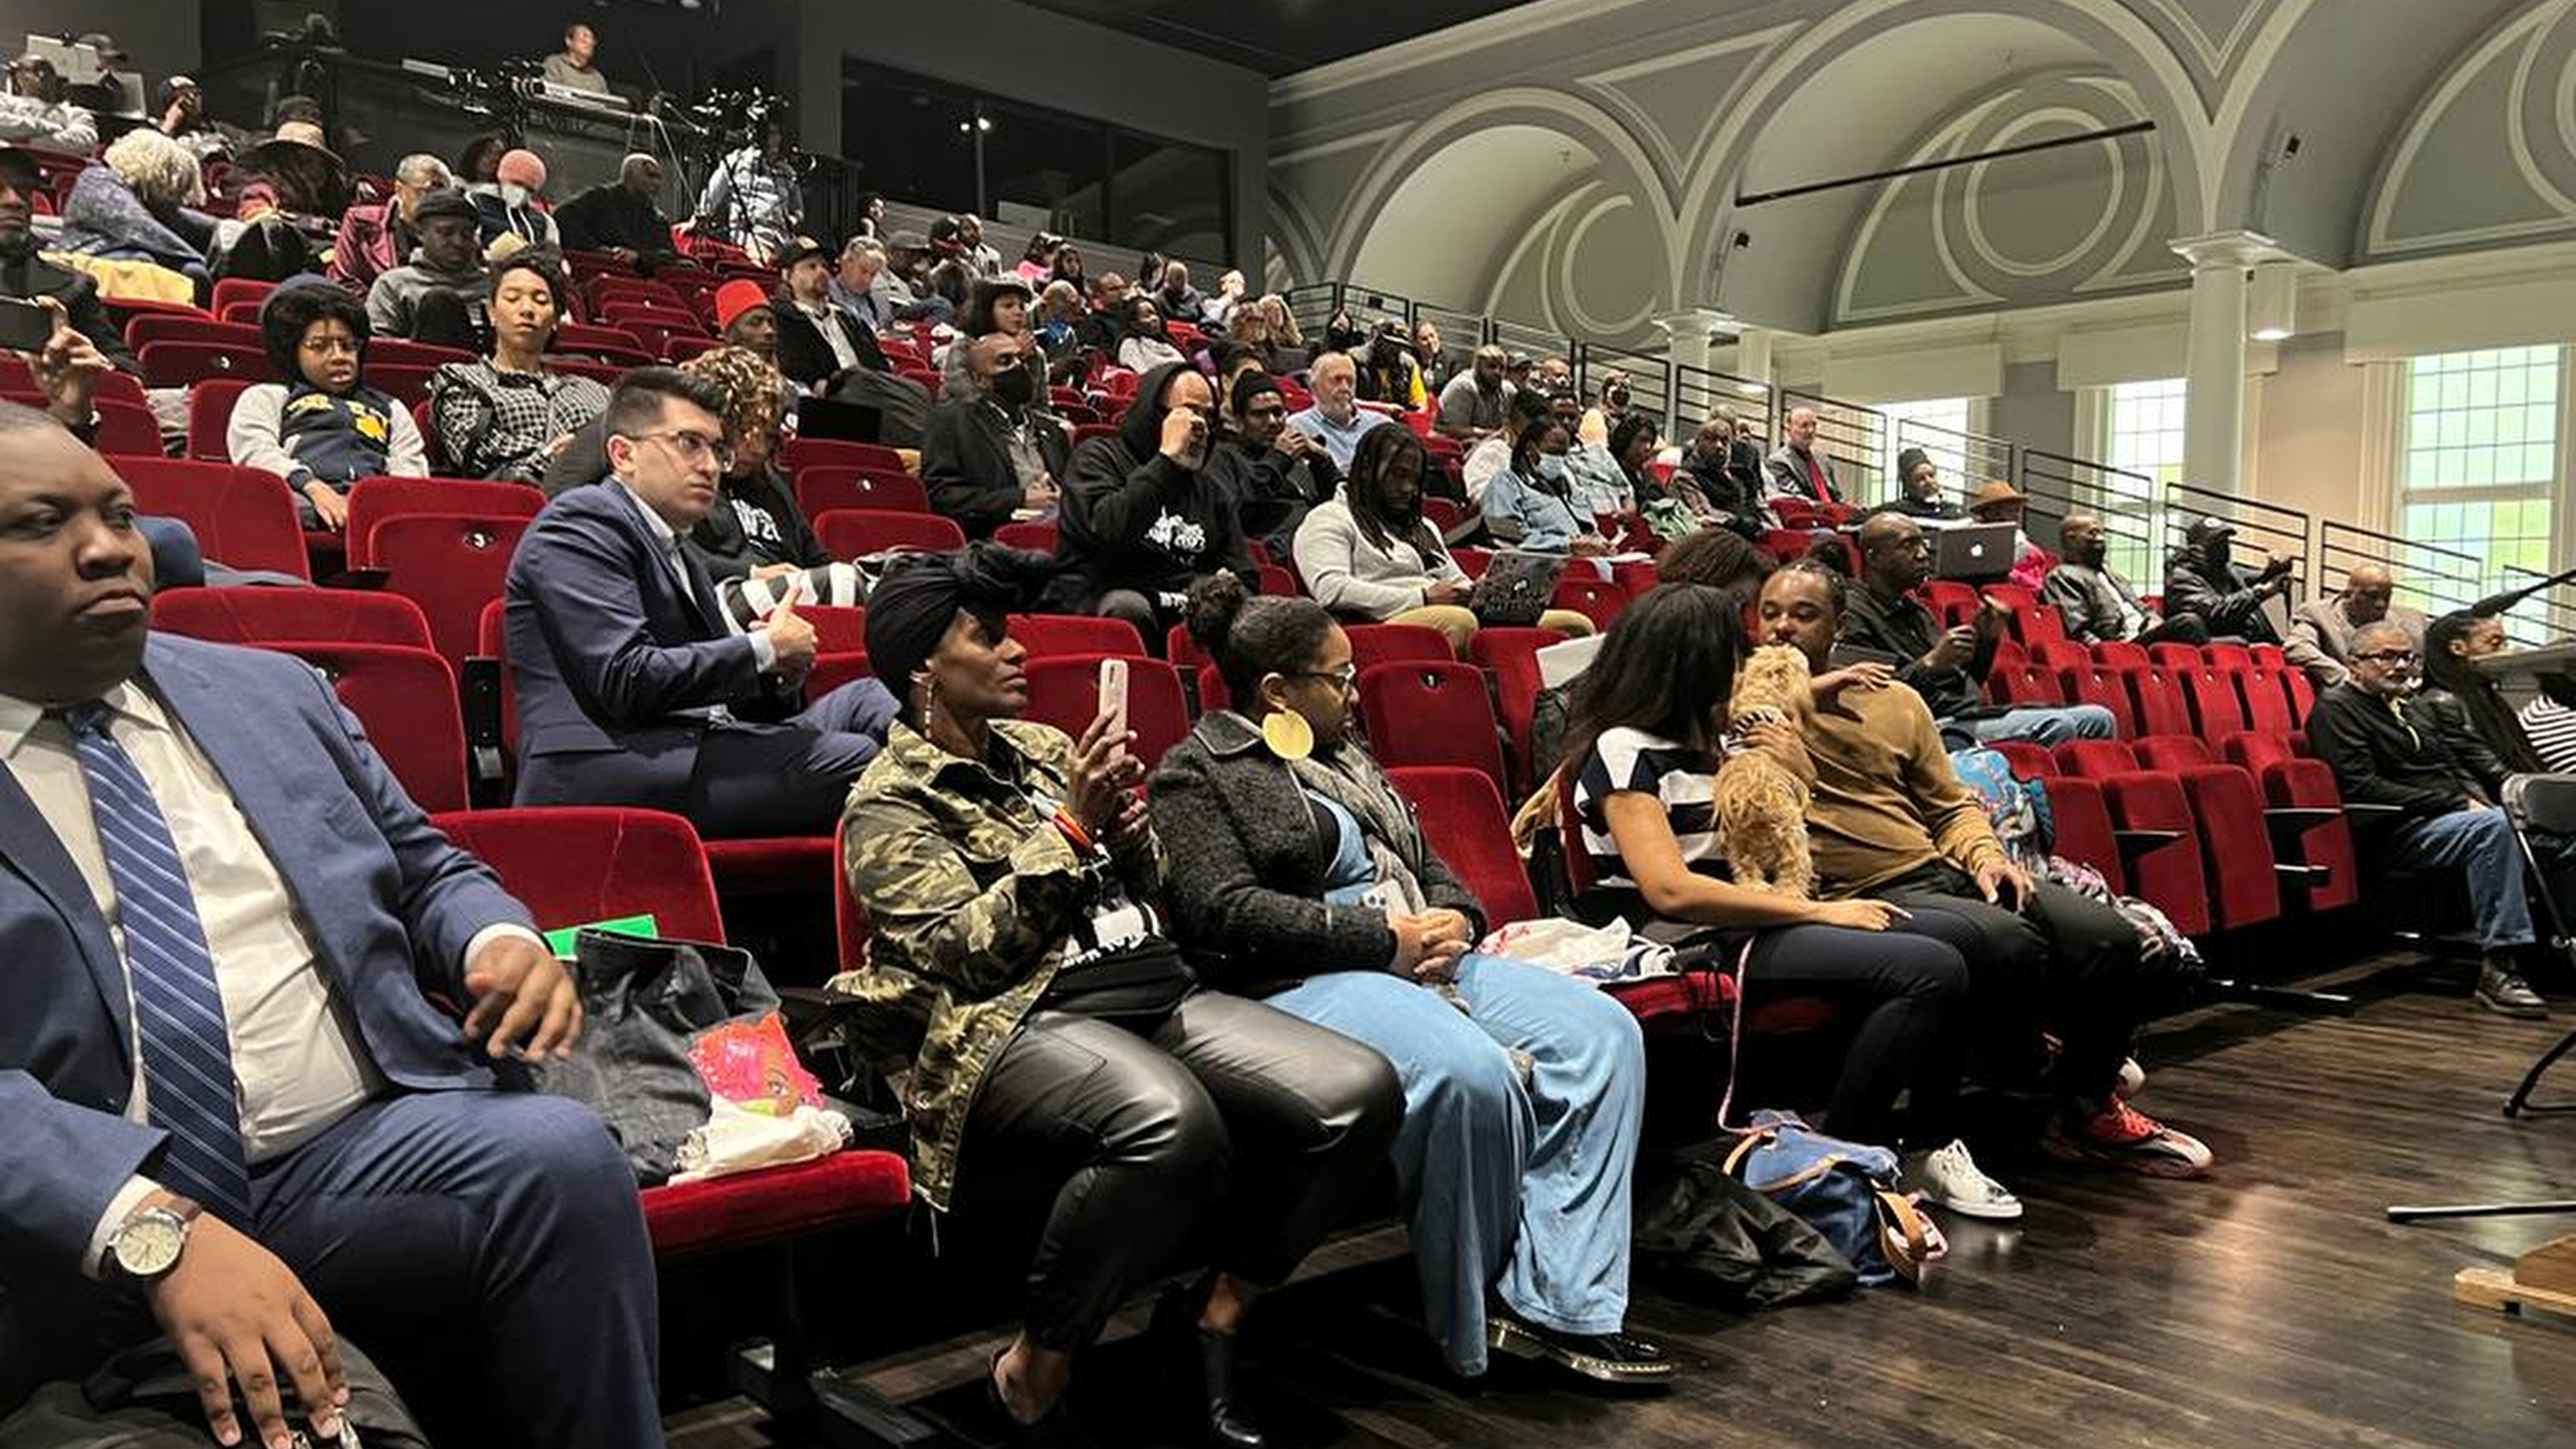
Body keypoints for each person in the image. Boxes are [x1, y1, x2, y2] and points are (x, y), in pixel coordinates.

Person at [0, 399, 664, 1448]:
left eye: (120, 516)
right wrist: (147, 1225)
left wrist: (499, 940)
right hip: (77, 1210)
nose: (105, 551)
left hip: (341, 1154)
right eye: (41, 523)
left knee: (559, 1156)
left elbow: (426, 864)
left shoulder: (272, 693)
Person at [839, 545, 1401, 1447]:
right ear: (922, 669)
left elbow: (1157, 892)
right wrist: (1071, 828)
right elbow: (962, 954)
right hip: (1013, 1018)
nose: (1017, 650)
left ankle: (1216, 1311)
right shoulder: (888, 802)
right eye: (988, 638)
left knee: (1357, 1090)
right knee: (1170, 1121)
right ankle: (1037, 1361)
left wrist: (1133, 837)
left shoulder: (1045, 750)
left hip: (1142, 980)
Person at [1151, 573, 1670, 1384]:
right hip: (1299, 973)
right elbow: (1222, 913)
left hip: (1419, 951)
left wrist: (1456, 919)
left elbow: (1429, 863)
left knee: (1603, 1035)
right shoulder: (1197, 772)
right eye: (1340, 678)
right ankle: (1478, 1314)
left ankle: (1561, 1297)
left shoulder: (1347, 755)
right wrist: (1378, 936)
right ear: (1277, 689)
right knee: (1471, 1074)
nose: (1356, 694)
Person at [1562, 581, 2013, 1211]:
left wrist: (1798, 767)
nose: (1743, 662)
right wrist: (1819, 910)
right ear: (1691, 662)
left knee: (1962, 937)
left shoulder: (1720, 742)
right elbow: (1672, 889)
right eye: (1731, 649)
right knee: (1930, 969)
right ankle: (1844, 1158)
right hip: (1687, 937)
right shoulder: (1623, 748)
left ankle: (1926, 1142)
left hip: (1749, 919)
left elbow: (1775, 827)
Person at [1756, 561, 2209, 1180]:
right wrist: (1802, 693)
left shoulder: (1895, 700)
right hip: (1859, 890)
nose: (1782, 627)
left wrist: (1988, 857)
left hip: (1936, 868)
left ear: (1838, 625)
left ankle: (2081, 1107)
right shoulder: (1747, 700)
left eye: (1803, 614)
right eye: (1770, 612)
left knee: (2108, 936)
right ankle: (2024, 1073)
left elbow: (1948, 805)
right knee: (2006, 941)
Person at [506, 368, 897, 837]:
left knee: (874, 698)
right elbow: (623, 678)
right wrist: (764, 650)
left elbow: (718, 689)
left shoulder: (680, 549)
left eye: (717, 449)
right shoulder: (578, 525)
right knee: (864, 761)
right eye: (689, 443)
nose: (711, 465)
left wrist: (779, 673)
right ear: (623, 453)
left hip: (694, 743)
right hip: (616, 766)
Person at [2311, 620, 2567, 1018]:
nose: (2401, 666)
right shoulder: (2336, 708)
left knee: (2558, 837)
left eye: (2408, 657)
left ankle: (2554, 952)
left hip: (2443, 820)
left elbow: (2447, 769)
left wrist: (2478, 801)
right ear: (2354, 662)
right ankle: (2499, 968)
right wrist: (2455, 803)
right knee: (2493, 829)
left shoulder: (2405, 706)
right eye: (2387, 657)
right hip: (2395, 829)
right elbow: (2362, 788)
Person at [1295, 424, 1591, 655]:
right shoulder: (1331, 517)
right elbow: (1329, 590)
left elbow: (1456, 580)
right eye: (1398, 475)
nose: (1409, 488)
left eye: (1415, 478)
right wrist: (1421, 597)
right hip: (1374, 624)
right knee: (1459, 622)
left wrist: (1483, 591)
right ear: (1367, 469)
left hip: (1447, 612)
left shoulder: (1423, 527)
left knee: (1575, 624)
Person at [1842, 512, 2113, 745]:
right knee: (2058, 727)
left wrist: (1986, 639)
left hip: (1961, 714)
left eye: (1923, 544)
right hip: (1919, 726)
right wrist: (1930, 664)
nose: (1923, 554)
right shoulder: (1852, 613)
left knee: (2099, 718)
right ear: (1874, 557)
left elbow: (1965, 682)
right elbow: (1870, 697)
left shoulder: (1917, 610)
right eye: (1908, 546)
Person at [1049, 362, 1255, 639]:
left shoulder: (1210, 489)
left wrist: (1226, 588)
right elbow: (1105, 530)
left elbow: (1244, 572)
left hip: (1189, 606)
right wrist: (1166, 462)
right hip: (1107, 597)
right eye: (1190, 412)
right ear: (1154, 413)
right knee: (1126, 607)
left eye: (1208, 416)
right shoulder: (1097, 457)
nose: (1202, 426)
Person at [228, 283, 429, 530]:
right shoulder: (267, 397)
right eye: (319, 346)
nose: (338, 356)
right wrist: (313, 487)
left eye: (347, 345)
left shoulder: (391, 407)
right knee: (268, 510)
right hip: (297, 494)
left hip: (374, 503)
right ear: (293, 352)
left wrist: (375, 503)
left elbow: (410, 470)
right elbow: (256, 452)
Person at [428, 257, 611, 483]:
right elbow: (477, 455)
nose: (526, 309)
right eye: (513, 298)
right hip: (515, 505)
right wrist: (556, 457)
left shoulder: (592, 390)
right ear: (491, 312)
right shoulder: (461, 379)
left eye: (541, 300)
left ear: (555, 319)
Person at [922, 332, 1069, 539]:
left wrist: (1060, 493)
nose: (1019, 367)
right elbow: (942, 494)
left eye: (1021, 358)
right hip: (992, 540)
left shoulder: (1052, 430)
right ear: (980, 380)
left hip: (1057, 533)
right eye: (1005, 361)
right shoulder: (953, 422)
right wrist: (1018, 498)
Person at [0, 148, 135, 373]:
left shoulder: (72, 286)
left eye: (24, 191)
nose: (16, 201)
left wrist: (96, 364)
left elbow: (126, 366)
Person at [2411, 611, 2552, 801]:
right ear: (2458, 648)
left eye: (2505, 643)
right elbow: (2493, 772)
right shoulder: (2444, 703)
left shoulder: (2488, 697)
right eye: (2494, 644)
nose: (2505, 652)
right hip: (2495, 809)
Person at [56, 130, 218, 281]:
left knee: (194, 271)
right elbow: (135, 224)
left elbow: (191, 222)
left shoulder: (148, 199)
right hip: (84, 256)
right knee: (140, 261)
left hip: (130, 256)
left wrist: (227, 232)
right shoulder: (97, 179)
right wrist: (199, 258)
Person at [1211, 369, 1340, 559]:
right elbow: (1236, 511)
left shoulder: (1293, 457)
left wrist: (1322, 461)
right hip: (1276, 556)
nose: (1272, 421)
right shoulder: (1224, 456)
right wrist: (1278, 460)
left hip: (1322, 543)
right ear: (1239, 421)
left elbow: (1333, 501)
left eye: (1277, 412)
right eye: (1259, 414)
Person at [2042, 514, 2208, 646]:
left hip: (2145, 633)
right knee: (2189, 622)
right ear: (2071, 539)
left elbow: (2143, 609)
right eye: (2093, 533)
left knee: (2233, 640)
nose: (2101, 539)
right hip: (2121, 643)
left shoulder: (2114, 575)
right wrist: (2103, 655)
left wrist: (2154, 621)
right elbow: (2078, 628)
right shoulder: (2063, 576)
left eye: (2102, 533)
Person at [364, 188, 492, 346]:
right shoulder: (394, 284)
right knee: (439, 301)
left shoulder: (494, 285)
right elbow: (379, 348)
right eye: (446, 232)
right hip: (422, 367)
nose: (458, 242)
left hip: (489, 365)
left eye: (466, 234)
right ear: (420, 233)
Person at [1481, 406, 1610, 556]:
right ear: (1531, 449)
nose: (1558, 460)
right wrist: (1566, 545)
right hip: (1546, 564)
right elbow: (1506, 537)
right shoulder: (1506, 483)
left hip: (1590, 561)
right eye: (1553, 452)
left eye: (1563, 454)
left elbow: (1589, 528)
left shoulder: (1567, 486)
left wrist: (1600, 543)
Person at [773, 235, 888, 390]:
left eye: (824, 266)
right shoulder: (781, 318)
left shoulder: (849, 319)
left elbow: (879, 365)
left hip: (871, 391)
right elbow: (797, 370)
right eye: (811, 266)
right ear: (787, 275)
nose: (822, 272)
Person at [2289, 563, 2427, 687]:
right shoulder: (2318, 614)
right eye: (2372, 596)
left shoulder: (2412, 622)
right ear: (2348, 594)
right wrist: (2346, 677)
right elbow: (2297, 648)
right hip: (2347, 699)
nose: (2381, 604)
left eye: (2387, 597)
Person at [329, 152, 451, 292]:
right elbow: (344, 281)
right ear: (399, 189)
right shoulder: (360, 221)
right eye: (427, 192)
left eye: (443, 195)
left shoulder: (454, 231)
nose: (436, 202)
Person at [2161, 515, 2293, 643]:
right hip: (2214, 643)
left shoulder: (2226, 570)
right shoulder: (2181, 578)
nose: (2223, 547)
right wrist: (2260, 593)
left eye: (2225, 542)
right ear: (2196, 549)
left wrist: (2279, 566)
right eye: (2217, 543)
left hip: (2251, 640)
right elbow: (2214, 612)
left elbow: (2262, 577)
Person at [696, 116, 801, 264]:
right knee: (764, 261)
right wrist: (697, 219)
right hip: (750, 240)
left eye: (777, 133)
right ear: (756, 136)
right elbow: (710, 199)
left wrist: (793, 220)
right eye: (770, 133)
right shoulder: (735, 162)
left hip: (783, 241)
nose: (775, 139)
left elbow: (798, 212)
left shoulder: (788, 172)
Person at [555, 153, 678, 271]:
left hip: (639, 278)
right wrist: (598, 250)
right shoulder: (600, 197)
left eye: (658, 178)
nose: (656, 183)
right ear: (629, 175)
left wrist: (638, 257)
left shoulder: (659, 219)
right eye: (650, 176)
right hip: (599, 269)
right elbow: (564, 217)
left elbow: (669, 254)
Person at [1667, 413, 1772, 538]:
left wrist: (1776, 531)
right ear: (1697, 443)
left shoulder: (1743, 475)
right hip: (1717, 540)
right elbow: (1703, 514)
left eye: (1724, 440)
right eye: (1711, 439)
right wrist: (1739, 522)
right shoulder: (1685, 476)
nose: (1719, 446)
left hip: (1756, 535)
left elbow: (1763, 508)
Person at [1285, 351, 1395, 471]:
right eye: (1336, 380)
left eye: (1350, 381)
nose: (1344, 388)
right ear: (1314, 387)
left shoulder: (1381, 425)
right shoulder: (1297, 427)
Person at [471, 149, 561, 256]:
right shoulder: (474, 204)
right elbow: (467, 247)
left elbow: (553, 257)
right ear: (501, 177)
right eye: (517, 183)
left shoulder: (544, 222)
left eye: (529, 189)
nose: (521, 192)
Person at [1963, 479, 2050, 590]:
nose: (2017, 516)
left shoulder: (2019, 538)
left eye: (2018, 510)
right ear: (1991, 512)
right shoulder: (1967, 532)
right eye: (2011, 511)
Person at [0, 53, 95, 153]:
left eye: (48, 70)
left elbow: (85, 142)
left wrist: (27, 141)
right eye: (34, 70)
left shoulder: (75, 113)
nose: (42, 75)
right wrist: (52, 128)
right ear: (19, 76)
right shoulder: (4, 100)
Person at [1763, 405, 1843, 507]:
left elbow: (1837, 496)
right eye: (1804, 426)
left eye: (1814, 425)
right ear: (1789, 429)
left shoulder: (1823, 459)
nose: (1810, 431)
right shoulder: (1777, 462)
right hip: (1808, 517)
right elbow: (1797, 500)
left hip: (1833, 515)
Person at [1436, 344, 1513, 442]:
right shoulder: (1463, 387)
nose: (1497, 372)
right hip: (1450, 445)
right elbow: (1450, 429)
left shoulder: (1506, 390)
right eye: (1491, 366)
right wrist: (1489, 434)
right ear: (1478, 367)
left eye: (1502, 368)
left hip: (1486, 444)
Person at [155, 76, 238, 162]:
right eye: (184, 93)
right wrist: (170, 124)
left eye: (195, 92)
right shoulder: (157, 132)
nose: (192, 97)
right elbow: (154, 161)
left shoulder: (219, 128)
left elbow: (248, 142)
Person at [1354, 323, 1428, 411]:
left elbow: (1421, 402)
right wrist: (1383, 408)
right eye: (1390, 344)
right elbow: (1346, 401)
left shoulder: (1408, 364)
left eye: (1399, 346)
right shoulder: (1355, 360)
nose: (1394, 350)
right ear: (1378, 340)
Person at [829, 235, 891, 332]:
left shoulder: (872, 299)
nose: (867, 280)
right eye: (864, 271)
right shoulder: (826, 295)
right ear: (846, 263)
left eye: (873, 274)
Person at [1884, 447, 1961, 520]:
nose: (1929, 482)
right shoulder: (1896, 513)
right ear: (1909, 485)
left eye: (1931, 475)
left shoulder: (1954, 510)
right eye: (1920, 479)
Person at [1118, 295, 1188, 374]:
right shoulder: (1130, 345)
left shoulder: (1167, 341)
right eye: (1147, 316)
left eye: (1155, 313)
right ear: (1134, 324)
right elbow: (1140, 374)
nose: (1154, 318)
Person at [544, 21, 611, 94]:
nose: (589, 42)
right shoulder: (554, 64)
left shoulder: (598, 78)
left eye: (592, 38)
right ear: (569, 41)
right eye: (584, 36)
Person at [1152, 260, 1204, 326]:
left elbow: (1202, 316)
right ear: (1168, 278)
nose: (1181, 281)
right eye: (1177, 277)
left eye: (1183, 277)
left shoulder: (1194, 295)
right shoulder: (1160, 298)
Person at [1413, 318, 1456, 395]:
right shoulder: (1411, 361)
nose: (1430, 341)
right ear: (1416, 343)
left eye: (1432, 336)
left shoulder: (1450, 363)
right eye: (1424, 339)